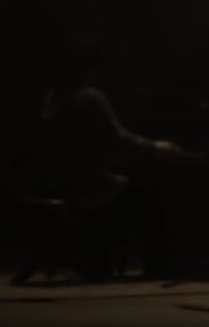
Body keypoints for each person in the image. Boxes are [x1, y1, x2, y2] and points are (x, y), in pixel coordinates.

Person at [40, 47, 180, 276]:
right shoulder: (90, 97)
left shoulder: (53, 97)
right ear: (89, 69)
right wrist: (155, 147)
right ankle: (160, 265)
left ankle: (98, 257)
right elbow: (118, 138)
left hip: (60, 181)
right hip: (91, 184)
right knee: (155, 198)